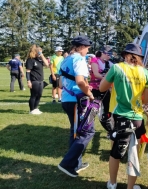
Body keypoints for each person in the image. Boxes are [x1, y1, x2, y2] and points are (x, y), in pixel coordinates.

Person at [99, 43, 148, 189]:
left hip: (120, 117)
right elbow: (146, 99)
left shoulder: (117, 68)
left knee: (116, 152)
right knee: (133, 154)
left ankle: (113, 183)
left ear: (125, 55)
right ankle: (130, 187)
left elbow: (101, 87)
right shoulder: (145, 73)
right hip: (137, 119)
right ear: (139, 57)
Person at [57, 35, 95, 177]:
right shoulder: (79, 59)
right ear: (80, 47)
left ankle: (75, 163)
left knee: (75, 131)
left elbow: (60, 83)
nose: (87, 50)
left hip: (67, 99)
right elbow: (79, 81)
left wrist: (84, 86)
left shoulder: (66, 59)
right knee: (87, 131)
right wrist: (89, 94)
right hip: (77, 101)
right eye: (86, 48)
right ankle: (67, 164)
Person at [90, 46, 113, 117]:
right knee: (93, 107)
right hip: (95, 87)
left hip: (105, 87)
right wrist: (106, 78)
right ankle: (89, 122)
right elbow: (96, 74)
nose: (109, 56)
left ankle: (107, 120)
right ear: (102, 53)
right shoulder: (95, 60)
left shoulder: (109, 63)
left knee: (107, 106)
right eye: (108, 54)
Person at [25, 45, 49, 115]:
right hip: (34, 80)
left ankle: (35, 108)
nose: (40, 52)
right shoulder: (30, 60)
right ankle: (31, 110)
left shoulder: (39, 59)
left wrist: (42, 56)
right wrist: (28, 81)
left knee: (39, 95)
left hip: (40, 80)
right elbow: (28, 71)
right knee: (33, 95)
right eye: (39, 51)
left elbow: (47, 64)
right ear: (35, 52)